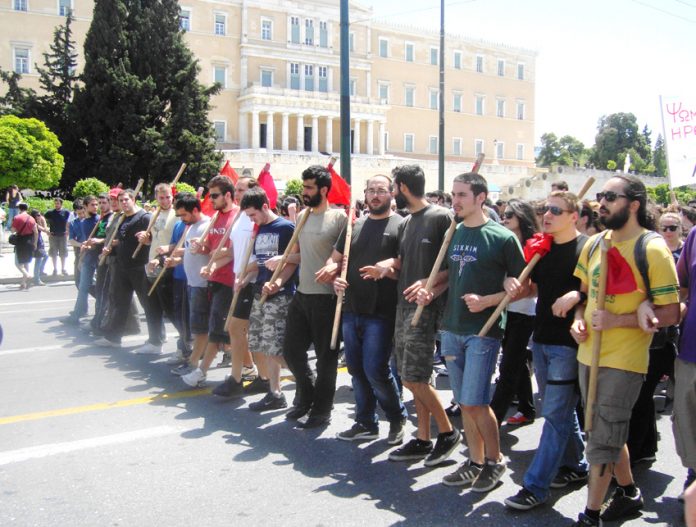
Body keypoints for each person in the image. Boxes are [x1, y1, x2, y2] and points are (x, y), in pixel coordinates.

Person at [569, 175, 680, 526]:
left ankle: (590, 514)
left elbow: (671, 312)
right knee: (604, 431)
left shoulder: (652, 248)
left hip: (624, 361)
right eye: (601, 195)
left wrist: (619, 321)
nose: (601, 202)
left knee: (601, 439)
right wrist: (577, 319)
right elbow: (584, 295)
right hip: (588, 354)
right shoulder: (594, 244)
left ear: (633, 204)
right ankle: (629, 492)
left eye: (611, 197)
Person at [418, 171, 525, 490]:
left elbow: (524, 285)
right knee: (464, 402)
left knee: (477, 401)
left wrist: (493, 297)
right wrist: (431, 290)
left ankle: (495, 461)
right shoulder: (456, 231)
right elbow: (453, 275)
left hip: (483, 330)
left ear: (480, 198)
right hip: (451, 327)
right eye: (454, 194)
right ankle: (475, 461)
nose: (455, 200)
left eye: (462, 194)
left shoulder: (503, 237)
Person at [503, 191, 589, 511]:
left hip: (568, 344)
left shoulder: (587, 248)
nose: (547, 215)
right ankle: (577, 466)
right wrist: (515, 284)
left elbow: (596, 292)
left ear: (574, 215)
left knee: (553, 415)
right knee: (556, 409)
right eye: (544, 210)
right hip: (540, 339)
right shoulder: (544, 247)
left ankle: (535, 486)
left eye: (555, 210)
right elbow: (531, 289)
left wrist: (576, 297)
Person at [379, 165, 460, 466]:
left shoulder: (441, 217)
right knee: (412, 375)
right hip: (404, 303)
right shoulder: (407, 222)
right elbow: (403, 260)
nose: (390, 194)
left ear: (401, 187)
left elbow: (454, 267)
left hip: (426, 307)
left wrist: (431, 287)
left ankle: (448, 432)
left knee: (413, 376)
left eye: (392, 188)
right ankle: (423, 438)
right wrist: (386, 266)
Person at [332, 175, 408, 443]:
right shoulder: (355, 225)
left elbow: (407, 271)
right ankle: (365, 422)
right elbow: (337, 260)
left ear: (392, 194)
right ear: (365, 195)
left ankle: (397, 417)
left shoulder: (402, 225)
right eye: (371, 191)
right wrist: (335, 277)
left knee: (375, 369)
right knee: (356, 369)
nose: (376, 195)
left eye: (381, 191)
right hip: (351, 307)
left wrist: (387, 270)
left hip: (382, 311)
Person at [276, 165, 346, 428]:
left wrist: (335, 267)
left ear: (324, 190)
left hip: (326, 300)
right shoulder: (303, 216)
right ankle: (306, 395)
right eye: (303, 187)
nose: (304, 192)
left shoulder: (339, 218)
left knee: (326, 359)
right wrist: (280, 271)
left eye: (309, 187)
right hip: (302, 294)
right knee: (291, 352)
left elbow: (347, 257)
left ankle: (321, 410)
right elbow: (297, 255)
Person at [627, 211, 683, 466]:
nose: (669, 231)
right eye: (665, 227)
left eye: (674, 227)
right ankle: (645, 446)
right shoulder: (649, 251)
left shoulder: (670, 256)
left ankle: (639, 448)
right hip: (645, 338)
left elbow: (676, 299)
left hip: (664, 340)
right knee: (641, 395)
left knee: (643, 396)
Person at [238, 186, 298, 410]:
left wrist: (278, 283)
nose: (252, 219)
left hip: (279, 295)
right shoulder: (260, 229)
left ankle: (298, 380)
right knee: (261, 344)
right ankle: (277, 390)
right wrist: (244, 278)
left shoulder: (285, 227)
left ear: (265, 206)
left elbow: (292, 261)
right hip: (260, 291)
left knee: (274, 347)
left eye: (253, 214)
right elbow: (261, 261)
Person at [182, 176, 238, 387]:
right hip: (212, 281)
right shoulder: (215, 217)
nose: (211, 199)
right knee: (233, 333)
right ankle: (252, 369)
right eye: (209, 195)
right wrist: (201, 247)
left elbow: (235, 252)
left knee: (217, 330)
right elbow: (210, 248)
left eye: (214, 195)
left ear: (228, 195)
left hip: (229, 281)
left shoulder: (237, 217)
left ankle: (201, 371)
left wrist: (214, 261)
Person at [490, 199, 538, 427]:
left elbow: (531, 288)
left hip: (522, 313)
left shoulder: (533, 245)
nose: (504, 217)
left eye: (510, 214)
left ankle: (492, 418)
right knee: (515, 362)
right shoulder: (503, 241)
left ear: (522, 217)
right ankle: (527, 409)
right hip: (504, 312)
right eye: (503, 214)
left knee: (508, 366)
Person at [212, 175, 260, 397]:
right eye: (237, 189)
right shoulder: (240, 216)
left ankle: (237, 378)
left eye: (241, 190)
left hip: (249, 281)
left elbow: (260, 253)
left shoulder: (254, 217)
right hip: (237, 279)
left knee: (235, 328)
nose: (237, 193)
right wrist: (215, 261)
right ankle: (252, 373)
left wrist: (246, 275)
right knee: (241, 331)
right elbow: (235, 251)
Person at [94, 189, 152, 347]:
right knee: (120, 302)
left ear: (133, 200)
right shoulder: (121, 218)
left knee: (148, 304)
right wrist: (111, 248)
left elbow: (151, 240)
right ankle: (114, 337)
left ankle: (156, 339)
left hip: (139, 266)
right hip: (121, 266)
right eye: (121, 201)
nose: (124, 203)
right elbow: (120, 240)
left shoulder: (145, 217)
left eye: (126, 200)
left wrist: (147, 241)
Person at [134, 183, 177, 355]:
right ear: (156, 198)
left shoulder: (176, 215)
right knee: (150, 304)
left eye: (168, 197)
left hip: (167, 264)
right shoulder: (154, 214)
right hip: (151, 262)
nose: (165, 200)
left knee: (169, 307)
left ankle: (186, 343)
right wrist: (146, 239)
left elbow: (179, 241)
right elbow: (153, 238)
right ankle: (155, 340)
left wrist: (167, 251)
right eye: (161, 197)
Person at [62, 196, 100, 325]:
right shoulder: (78, 223)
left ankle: (105, 306)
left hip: (98, 256)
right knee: (82, 285)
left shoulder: (100, 220)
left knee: (94, 285)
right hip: (85, 255)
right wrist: (81, 249)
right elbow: (72, 240)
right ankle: (79, 313)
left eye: (97, 204)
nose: (96, 207)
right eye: (92, 205)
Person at [11, 202, 37, 290]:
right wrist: (35, 243)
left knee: (18, 262)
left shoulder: (17, 218)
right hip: (29, 241)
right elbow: (36, 232)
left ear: (19, 209)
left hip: (20, 241)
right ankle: (23, 283)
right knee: (26, 262)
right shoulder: (32, 218)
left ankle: (27, 275)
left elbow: (13, 230)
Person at [44, 197, 71, 276]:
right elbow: (41, 219)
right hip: (53, 236)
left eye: (58, 203)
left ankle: (63, 269)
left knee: (63, 253)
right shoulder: (50, 212)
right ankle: (55, 269)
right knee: (53, 253)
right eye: (55, 203)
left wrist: (68, 231)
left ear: (61, 204)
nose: (56, 205)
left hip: (63, 235)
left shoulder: (66, 212)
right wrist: (46, 230)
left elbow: (70, 221)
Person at [68, 198, 86, 286]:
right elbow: (71, 240)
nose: (82, 215)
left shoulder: (94, 221)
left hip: (92, 252)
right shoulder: (73, 223)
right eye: (79, 213)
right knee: (78, 281)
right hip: (79, 253)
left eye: (83, 212)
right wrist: (80, 244)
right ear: (75, 212)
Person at [29, 209, 48, 286]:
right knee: (38, 261)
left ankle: (40, 272)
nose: (40, 216)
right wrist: (44, 221)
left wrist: (41, 220)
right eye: (38, 215)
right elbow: (44, 230)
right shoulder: (34, 224)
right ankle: (37, 279)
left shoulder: (35, 223)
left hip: (39, 243)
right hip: (37, 244)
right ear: (34, 216)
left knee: (45, 257)